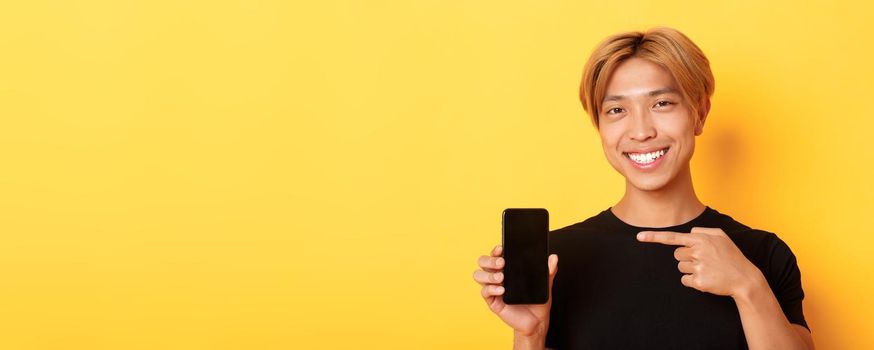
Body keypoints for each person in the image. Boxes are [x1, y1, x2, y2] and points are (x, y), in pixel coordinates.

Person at [472, 27, 815, 350]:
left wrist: (748, 287)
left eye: (661, 103)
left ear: (699, 113)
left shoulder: (763, 254)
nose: (640, 131)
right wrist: (530, 335)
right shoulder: (555, 261)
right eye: (617, 109)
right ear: (600, 127)